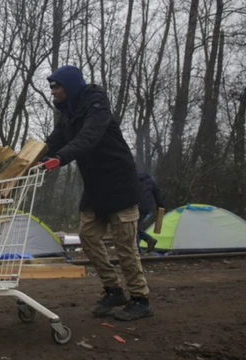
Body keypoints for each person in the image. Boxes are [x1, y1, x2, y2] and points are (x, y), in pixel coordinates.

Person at [44, 65, 153, 321]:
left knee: (125, 246)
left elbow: (88, 138)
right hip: (95, 187)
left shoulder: (96, 106)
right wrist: (27, 158)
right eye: (51, 87)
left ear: (69, 86)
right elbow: (52, 143)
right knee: (88, 237)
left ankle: (141, 299)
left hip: (119, 184)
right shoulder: (68, 115)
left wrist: (59, 159)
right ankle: (113, 289)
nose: (53, 92)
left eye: (56, 86)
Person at [137, 171, 166, 253]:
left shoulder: (134, 179)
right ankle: (147, 242)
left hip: (136, 207)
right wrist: (161, 206)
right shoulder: (150, 181)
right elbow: (157, 194)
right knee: (136, 228)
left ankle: (141, 247)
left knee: (134, 229)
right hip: (147, 208)